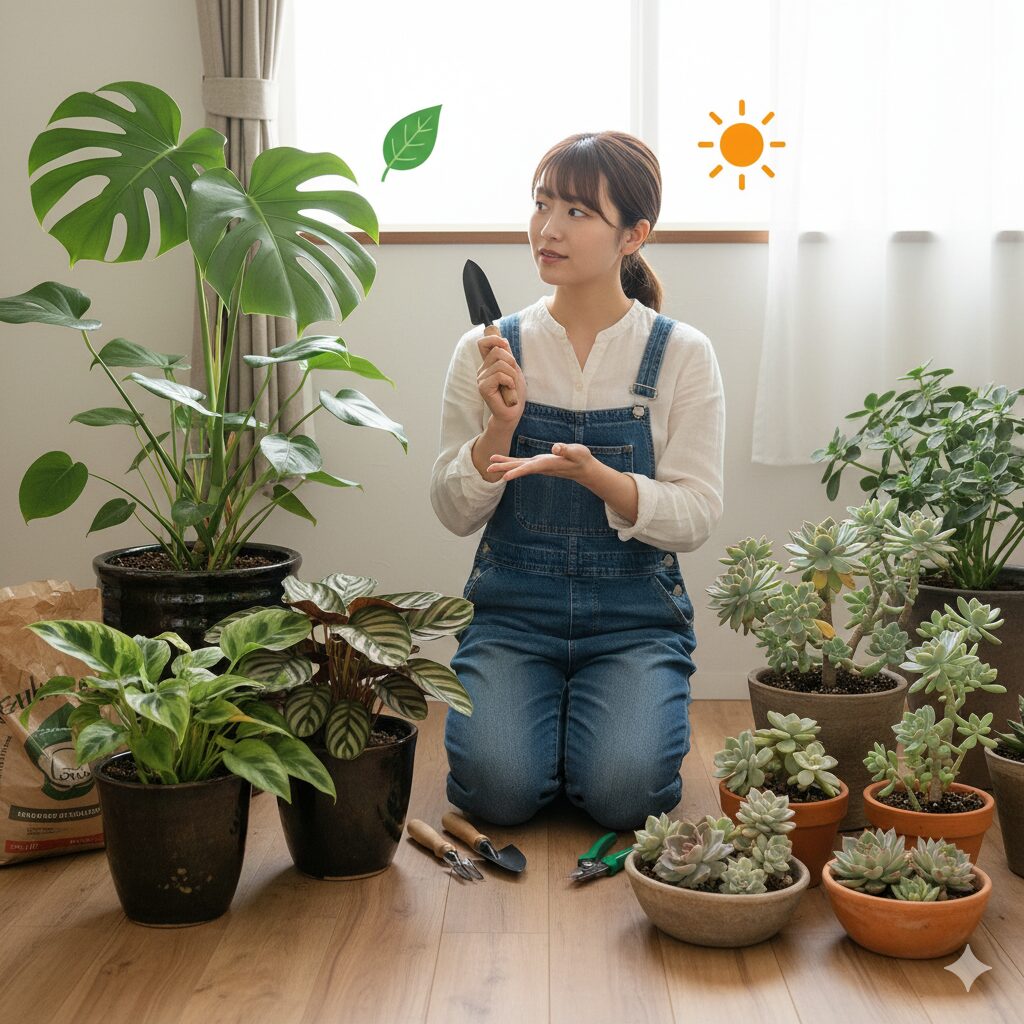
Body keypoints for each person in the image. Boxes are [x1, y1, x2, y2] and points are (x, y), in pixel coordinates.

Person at [429, 131, 726, 831]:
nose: (548, 229)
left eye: (576, 212)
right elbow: (451, 509)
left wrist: (600, 477)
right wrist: (499, 428)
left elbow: (696, 514)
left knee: (625, 799)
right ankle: (547, 734)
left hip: (635, 622)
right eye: (541, 205)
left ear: (634, 234)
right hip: (512, 616)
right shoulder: (487, 349)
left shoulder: (681, 354)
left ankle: (586, 735)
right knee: (496, 794)